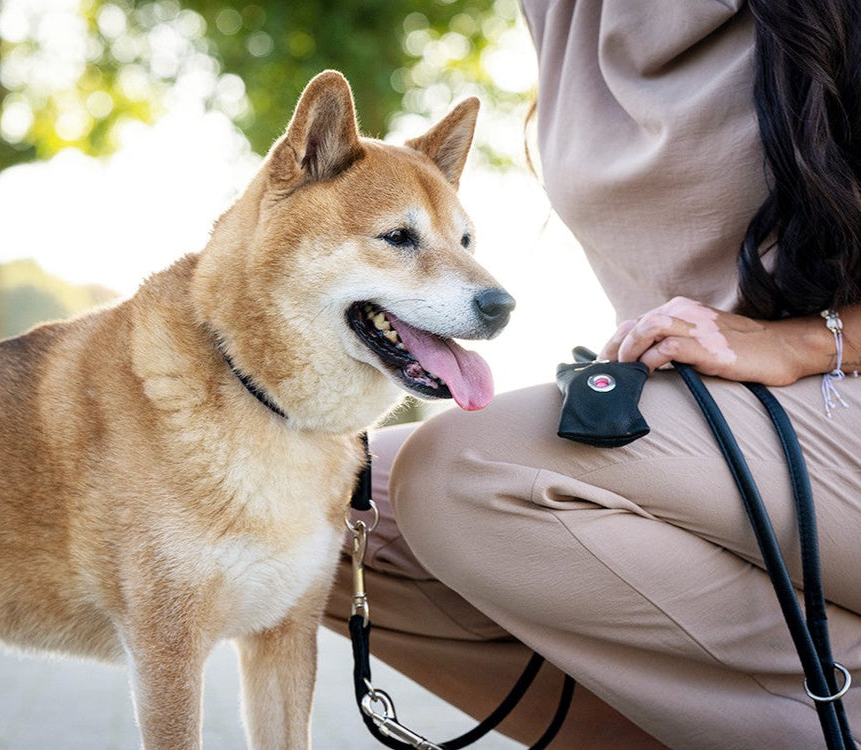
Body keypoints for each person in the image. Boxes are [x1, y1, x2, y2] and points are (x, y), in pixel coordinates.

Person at [323, 1, 861, 748]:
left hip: (839, 395)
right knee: (323, 500)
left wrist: (800, 343)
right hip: (715, 422)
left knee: (464, 470)